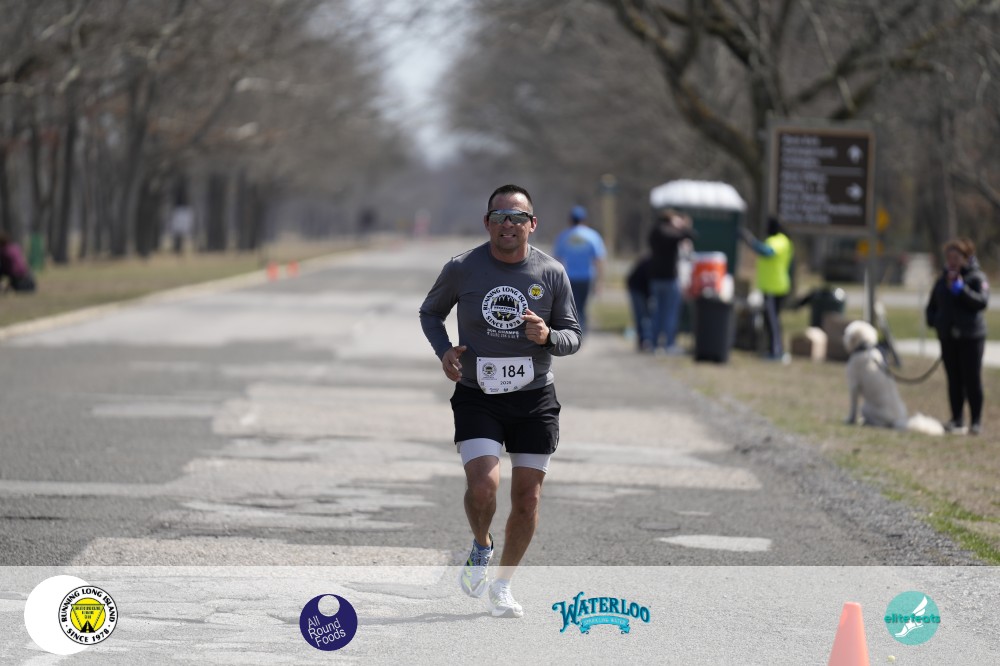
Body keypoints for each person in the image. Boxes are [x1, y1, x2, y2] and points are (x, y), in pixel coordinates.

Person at [419, 184, 582, 618]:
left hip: (533, 400)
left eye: (516, 217)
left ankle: (503, 585)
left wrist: (548, 336)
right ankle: (481, 545)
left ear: (532, 224)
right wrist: (445, 351)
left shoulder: (551, 273)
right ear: (486, 223)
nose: (507, 224)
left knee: (527, 499)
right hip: (479, 395)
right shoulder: (462, 268)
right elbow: (430, 312)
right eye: (498, 216)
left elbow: (573, 336)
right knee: (483, 487)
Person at [925, 237, 989, 435]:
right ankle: (957, 419)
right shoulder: (942, 280)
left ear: (965, 257)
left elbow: (981, 302)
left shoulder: (976, 277)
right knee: (954, 380)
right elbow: (932, 306)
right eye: (949, 257)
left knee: (972, 379)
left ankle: (976, 421)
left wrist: (962, 290)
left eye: (956, 257)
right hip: (948, 337)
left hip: (971, 337)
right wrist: (935, 321)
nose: (952, 261)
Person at [741, 217, 794, 362]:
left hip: (774, 287)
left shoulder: (779, 240)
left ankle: (776, 352)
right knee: (771, 320)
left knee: (772, 321)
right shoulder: (781, 240)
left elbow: (766, 251)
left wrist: (750, 240)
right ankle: (773, 349)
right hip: (772, 286)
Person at [647, 209, 695, 354]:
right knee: (670, 313)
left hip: (655, 279)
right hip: (669, 279)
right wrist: (682, 226)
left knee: (656, 312)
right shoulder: (670, 234)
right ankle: (668, 344)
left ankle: (654, 343)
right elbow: (690, 235)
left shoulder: (654, 233)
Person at [552, 205, 606, 331]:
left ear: (570, 220)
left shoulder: (564, 236)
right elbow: (599, 260)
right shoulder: (592, 236)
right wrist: (600, 281)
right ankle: (581, 330)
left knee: (570, 307)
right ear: (584, 220)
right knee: (582, 307)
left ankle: (573, 331)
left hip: (569, 277)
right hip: (587, 277)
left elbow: (556, 260)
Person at [626, 255, 653, 351]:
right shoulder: (651, 263)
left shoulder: (650, 261)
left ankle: (644, 340)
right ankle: (643, 341)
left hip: (640, 289)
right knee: (641, 316)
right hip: (636, 289)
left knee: (645, 316)